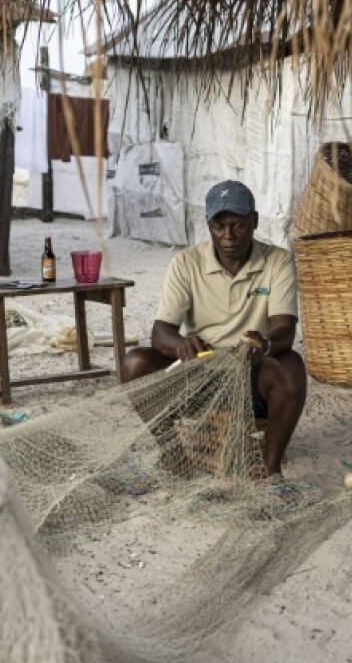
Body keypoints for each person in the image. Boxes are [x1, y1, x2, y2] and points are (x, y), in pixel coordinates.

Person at [122, 179, 307, 476]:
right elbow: (161, 332)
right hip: (200, 374)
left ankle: (270, 469)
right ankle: (173, 454)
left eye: (238, 225)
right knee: (135, 363)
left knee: (292, 367)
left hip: (251, 373)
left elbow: (285, 329)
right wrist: (181, 344)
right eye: (219, 227)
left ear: (254, 221)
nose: (228, 235)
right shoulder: (186, 262)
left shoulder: (277, 261)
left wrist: (265, 345)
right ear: (208, 225)